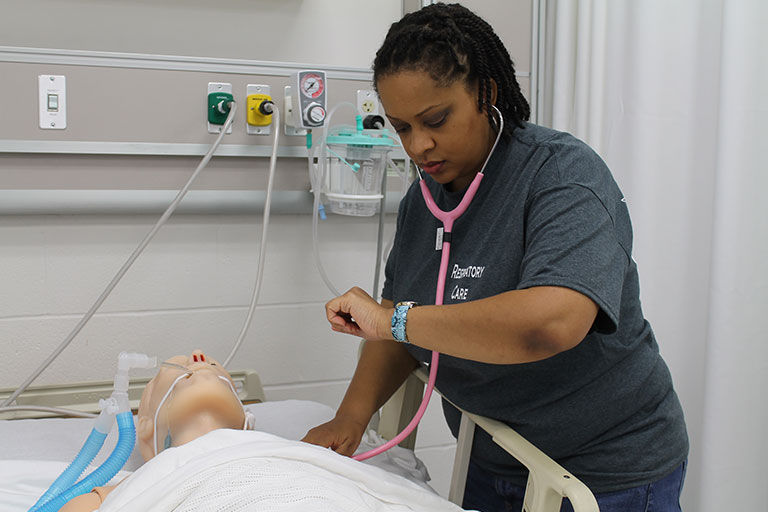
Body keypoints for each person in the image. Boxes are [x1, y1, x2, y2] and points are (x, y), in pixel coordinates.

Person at [301, 3, 689, 512]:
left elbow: (551, 323)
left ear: (486, 92)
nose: (419, 145)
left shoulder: (562, 175)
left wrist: (394, 318)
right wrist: (351, 418)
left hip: (604, 470)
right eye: (401, 127)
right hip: (496, 456)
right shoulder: (424, 202)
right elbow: (401, 325)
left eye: (435, 119)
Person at [58, 350, 463, 512]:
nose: (198, 358)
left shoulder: (294, 454)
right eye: (179, 365)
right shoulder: (139, 483)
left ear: (246, 417)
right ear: (143, 431)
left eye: (217, 369)